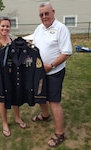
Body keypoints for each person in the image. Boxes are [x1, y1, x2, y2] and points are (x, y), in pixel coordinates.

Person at [32, 2, 72, 147]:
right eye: (41, 14)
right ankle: (45, 116)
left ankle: (59, 133)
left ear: (53, 12)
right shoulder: (39, 28)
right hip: (39, 71)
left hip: (54, 71)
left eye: (46, 13)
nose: (44, 17)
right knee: (40, 96)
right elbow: (33, 42)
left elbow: (67, 52)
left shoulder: (61, 28)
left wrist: (52, 65)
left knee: (54, 102)